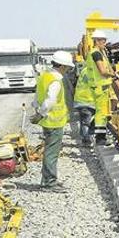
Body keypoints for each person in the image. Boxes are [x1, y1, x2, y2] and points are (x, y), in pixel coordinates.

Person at [31, 51, 75, 192]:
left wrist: (37, 111)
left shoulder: (45, 76)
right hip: (54, 122)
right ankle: (49, 183)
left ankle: (48, 180)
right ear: (62, 66)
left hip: (48, 121)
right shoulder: (56, 80)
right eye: (67, 67)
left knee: (50, 151)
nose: (68, 70)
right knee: (51, 153)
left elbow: (37, 97)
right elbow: (50, 100)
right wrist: (40, 113)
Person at [75, 30, 115, 146]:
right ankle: (100, 139)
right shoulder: (96, 54)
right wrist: (114, 75)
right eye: (103, 40)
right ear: (97, 41)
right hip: (100, 88)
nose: (105, 43)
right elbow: (102, 71)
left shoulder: (97, 53)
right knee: (101, 115)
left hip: (98, 88)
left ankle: (98, 137)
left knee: (100, 115)